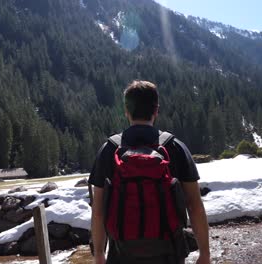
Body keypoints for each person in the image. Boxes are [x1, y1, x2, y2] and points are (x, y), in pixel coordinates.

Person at [89, 80, 210, 264]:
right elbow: (194, 205)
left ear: (126, 111)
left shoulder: (110, 149)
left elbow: (98, 211)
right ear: (156, 110)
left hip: (122, 254)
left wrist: (98, 254)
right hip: (169, 253)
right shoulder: (174, 147)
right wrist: (204, 254)